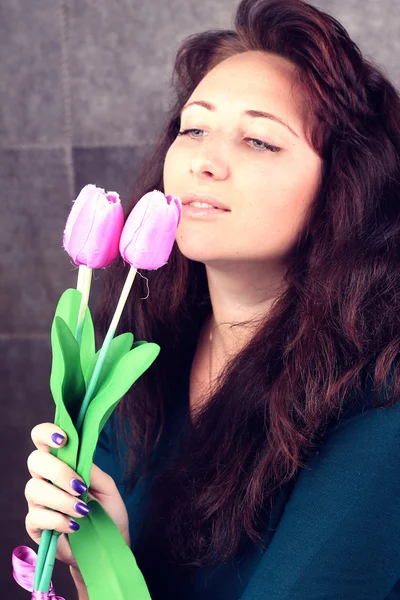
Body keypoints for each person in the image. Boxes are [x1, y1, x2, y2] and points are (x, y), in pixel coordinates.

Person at [24, 0, 400, 598]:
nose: (202, 160)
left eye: (257, 140)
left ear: (345, 188)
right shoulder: (132, 356)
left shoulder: (381, 405)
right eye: (193, 128)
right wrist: (94, 562)